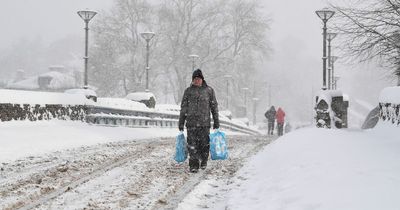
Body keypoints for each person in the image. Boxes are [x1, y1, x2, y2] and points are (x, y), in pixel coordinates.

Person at [179, 69, 219, 173]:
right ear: (192, 80)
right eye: (195, 79)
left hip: (204, 124)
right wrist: (181, 122)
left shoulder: (209, 91)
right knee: (192, 145)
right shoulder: (188, 91)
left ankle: (204, 160)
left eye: (198, 79)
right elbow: (183, 108)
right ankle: (194, 165)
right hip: (191, 123)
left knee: (204, 144)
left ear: (202, 80)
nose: (196, 81)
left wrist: (216, 120)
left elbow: (214, 107)